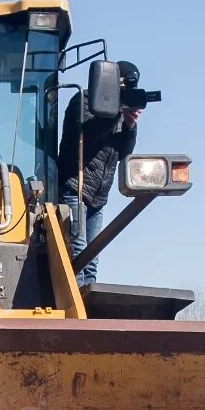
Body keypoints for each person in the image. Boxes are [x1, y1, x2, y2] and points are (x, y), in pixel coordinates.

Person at [54, 62, 145, 285]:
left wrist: (130, 125)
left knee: (92, 258)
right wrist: (116, 114)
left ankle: (88, 307)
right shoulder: (85, 100)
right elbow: (90, 135)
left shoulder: (120, 113)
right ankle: (76, 309)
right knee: (78, 251)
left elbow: (124, 151)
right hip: (75, 186)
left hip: (98, 196)